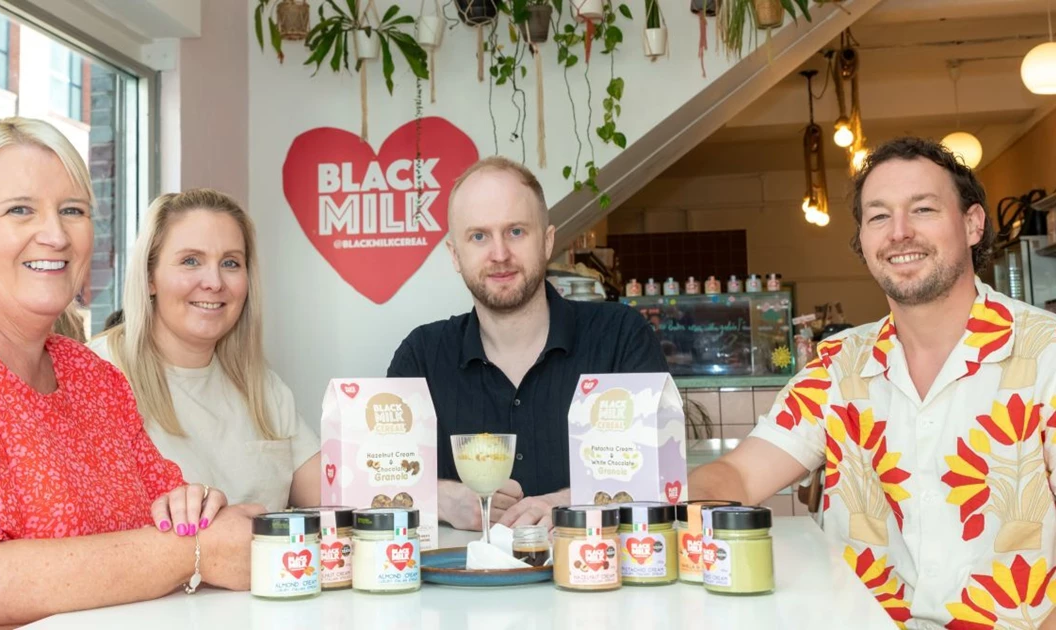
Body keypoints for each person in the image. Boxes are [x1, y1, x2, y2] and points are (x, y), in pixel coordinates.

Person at [0, 119, 258, 629]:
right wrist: (194, 551)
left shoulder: (93, 377)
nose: (56, 235)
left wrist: (196, 511)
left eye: (73, 211)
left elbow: (173, 516)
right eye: (20, 210)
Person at [689, 137, 1056, 628]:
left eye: (923, 208)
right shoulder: (837, 367)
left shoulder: (1046, 355)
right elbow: (738, 476)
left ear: (972, 224)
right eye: (879, 216)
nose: (899, 232)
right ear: (863, 240)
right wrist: (673, 510)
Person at [387, 156, 669, 530]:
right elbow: (376, 480)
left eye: (516, 231)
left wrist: (572, 504)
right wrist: (440, 499)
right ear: (455, 255)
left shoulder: (620, 337)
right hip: (461, 586)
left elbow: (664, 471)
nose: (500, 253)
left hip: (594, 579)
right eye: (478, 236)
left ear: (547, 241)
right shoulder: (421, 356)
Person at [89, 189, 321, 511]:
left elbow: (335, 504)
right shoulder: (94, 375)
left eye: (230, 263)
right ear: (150, 277)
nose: (214, 281)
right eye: (190, 261)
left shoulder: (263, 387)